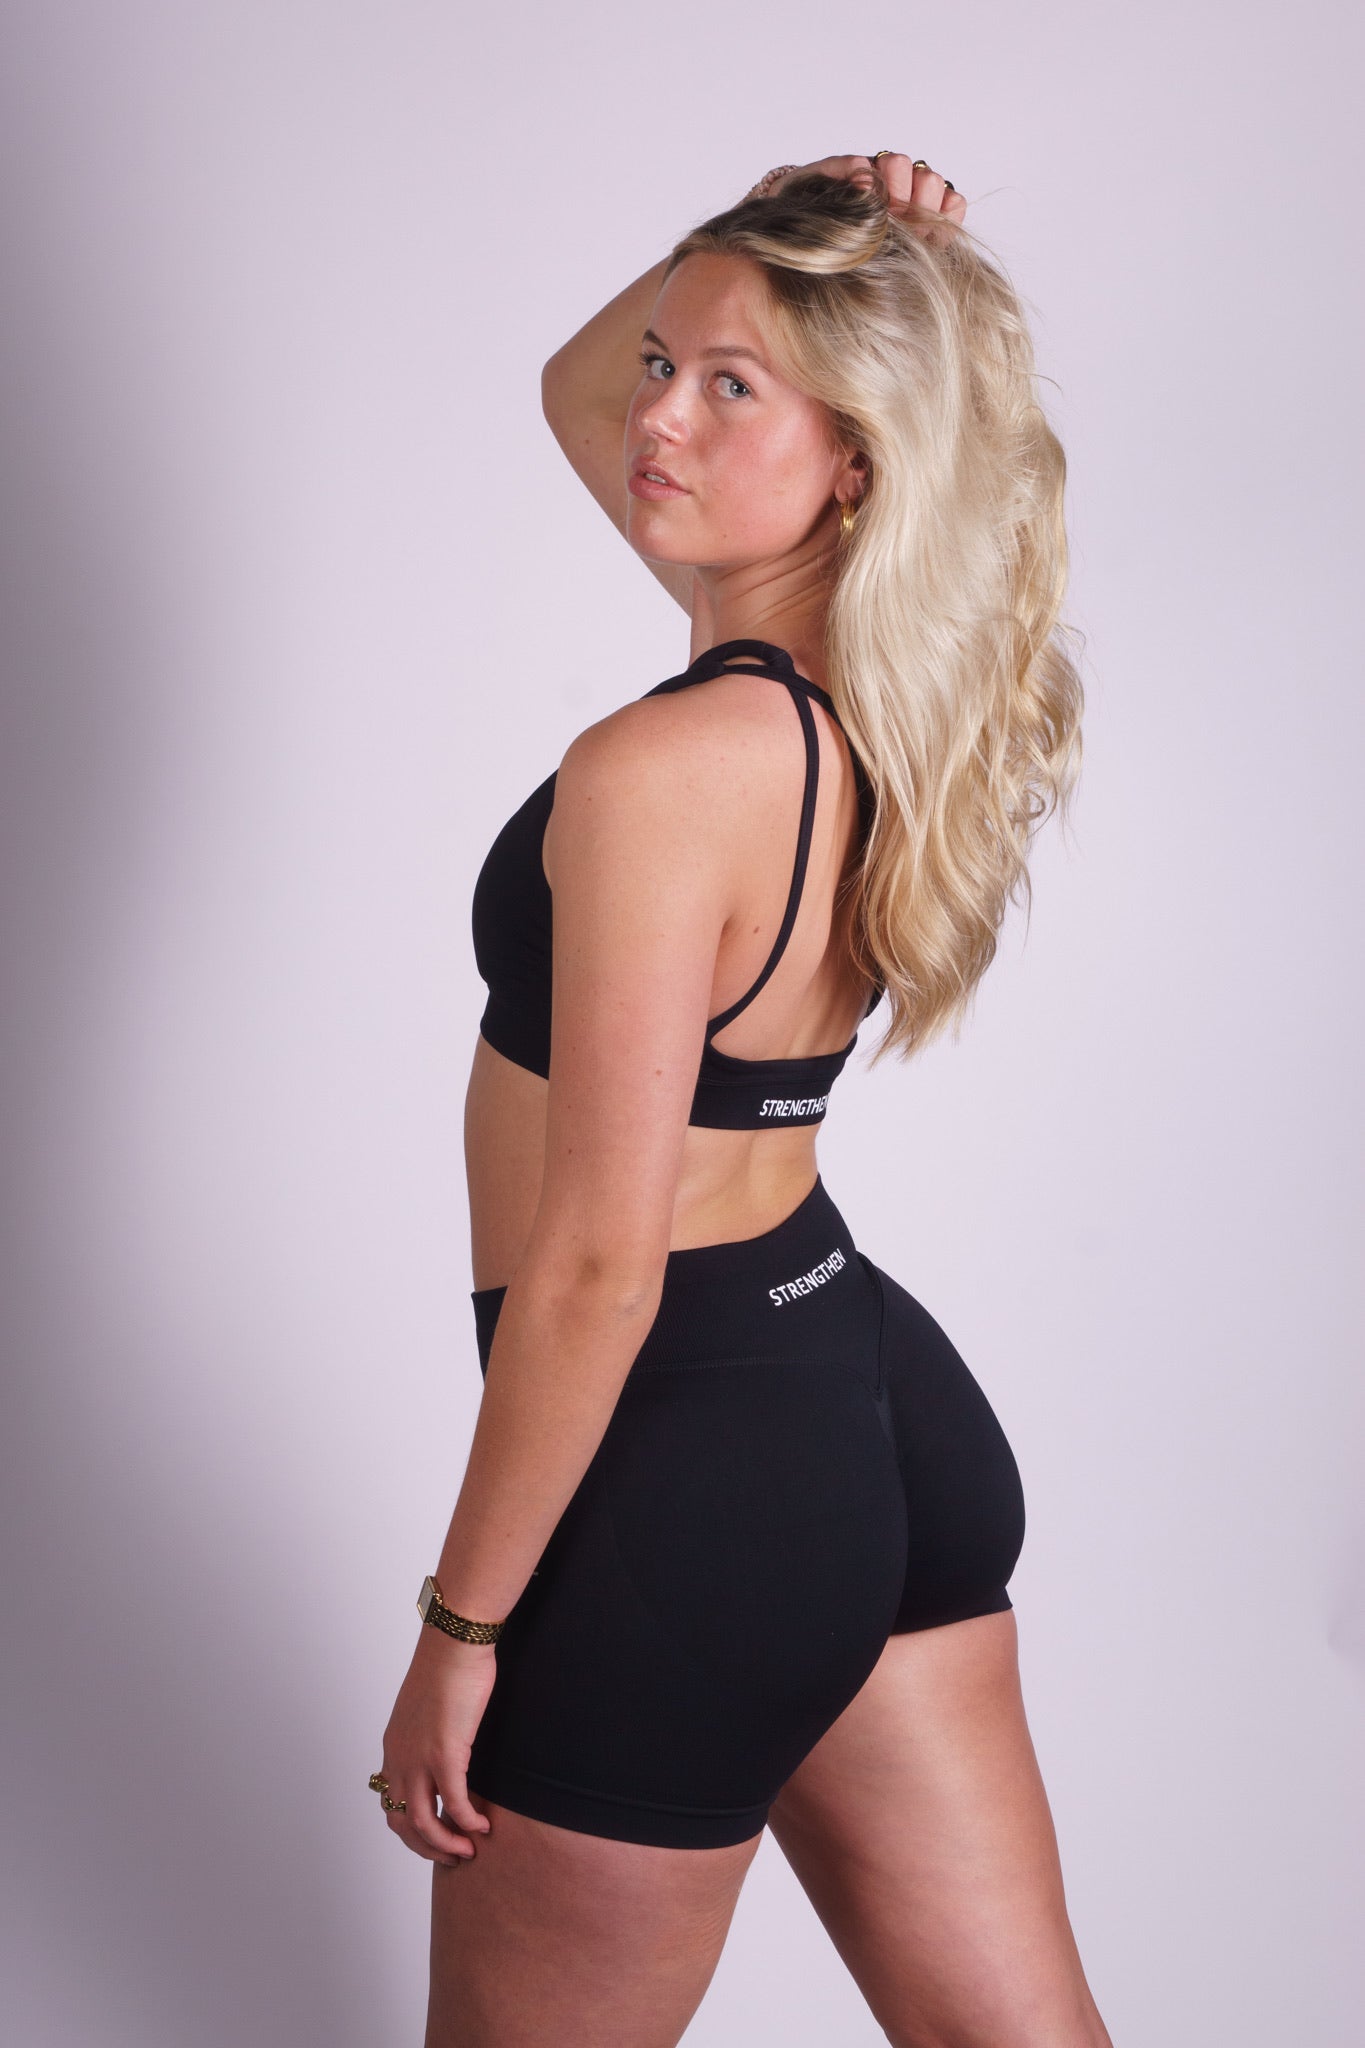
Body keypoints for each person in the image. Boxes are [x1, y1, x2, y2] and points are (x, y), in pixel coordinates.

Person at [372, 153, 1113, 2048]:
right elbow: (574, 391)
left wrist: (459, 1632)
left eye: (730, 389)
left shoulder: (664, 766)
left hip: (684, 1463)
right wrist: (779, 218)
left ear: (850, 459)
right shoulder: (880, 696)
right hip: (860, 1399)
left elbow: (599, 1267)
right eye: (663, 364)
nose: (653, 419)